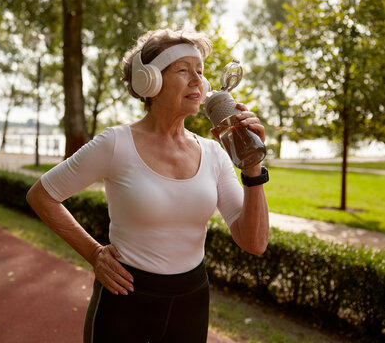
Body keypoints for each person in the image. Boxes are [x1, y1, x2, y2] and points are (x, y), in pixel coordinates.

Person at [26, 28, 269, 343]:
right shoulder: (116, 143)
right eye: (183, 70)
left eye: (201, 71)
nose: (198, 81)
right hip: (125, 301)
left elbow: (255, 242)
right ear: (149, 81)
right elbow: (42, 196)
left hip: (191, 304)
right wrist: (95, 253)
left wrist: (252, 165)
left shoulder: (213, 154)